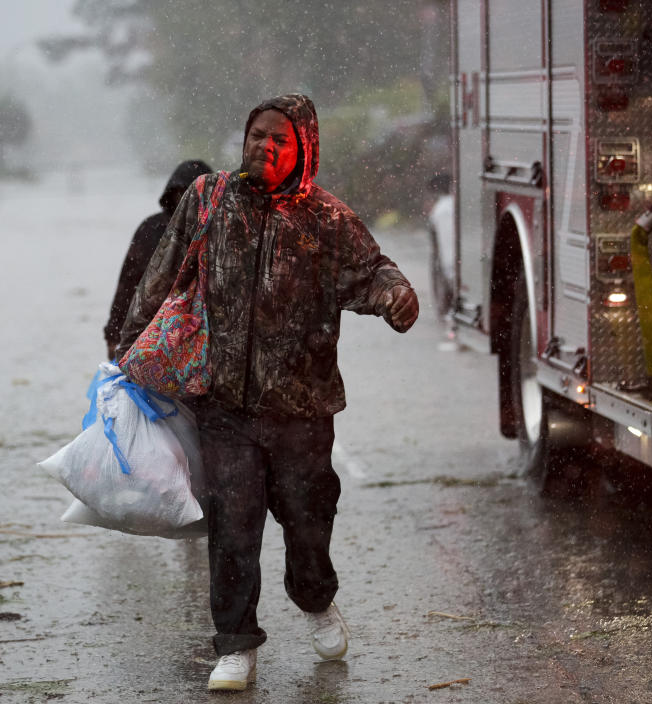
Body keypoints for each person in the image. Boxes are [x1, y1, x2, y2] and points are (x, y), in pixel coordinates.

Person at [115, 93, 419, 691]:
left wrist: (395, 295)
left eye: (280, 139)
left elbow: (370, 271)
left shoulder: (327, 219)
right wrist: (126, 353)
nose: (265, 146)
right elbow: (162, 273)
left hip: (303, 408)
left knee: (308, 519)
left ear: (303, 147)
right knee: (234, 524)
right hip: (224, 405)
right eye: (257, 134)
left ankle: (314, 598)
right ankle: (235, 644)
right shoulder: (209, 199)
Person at [103, 159, 213, 360]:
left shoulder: (219, 232)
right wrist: (113, 333)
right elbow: (127, 284)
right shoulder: (150, 229)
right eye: (182, 193)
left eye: (195, 195)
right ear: (172, 193)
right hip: (149, 337)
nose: (187, 201)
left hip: (201, 340)